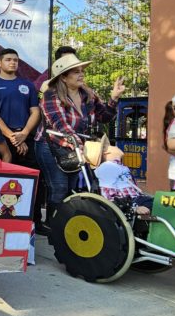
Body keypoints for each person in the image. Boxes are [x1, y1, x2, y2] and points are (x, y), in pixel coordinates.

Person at [37, 53, 123, 209]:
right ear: (63, 77)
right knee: (59, 188)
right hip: (49, 145)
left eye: (82, 70)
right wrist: (79, 145)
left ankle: (69, 225)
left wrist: (114, 98)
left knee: (71, 187)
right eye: (76, 71)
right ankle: (54, 226)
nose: (81, 74)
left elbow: (104, 117)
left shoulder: (88, 94)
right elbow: (60, 125)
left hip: (75, 146)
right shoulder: (51, 95)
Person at [0, 47, 41, 165]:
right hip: (2, 138)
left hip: (26, 136)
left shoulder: (28, 85)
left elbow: (36, 112)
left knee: (28, 176)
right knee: (3, 176)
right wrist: (14, 138)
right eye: (8, 60)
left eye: (15, 60)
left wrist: (24, 134)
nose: (13, 63)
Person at [94, 145, 153, 214]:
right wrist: (134, 207)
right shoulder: (107, 167)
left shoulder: (116, 166)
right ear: (106, 152)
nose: (116, 146)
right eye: (112, 146)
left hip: (137, 200)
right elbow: (109, 198)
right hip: (132, 203)